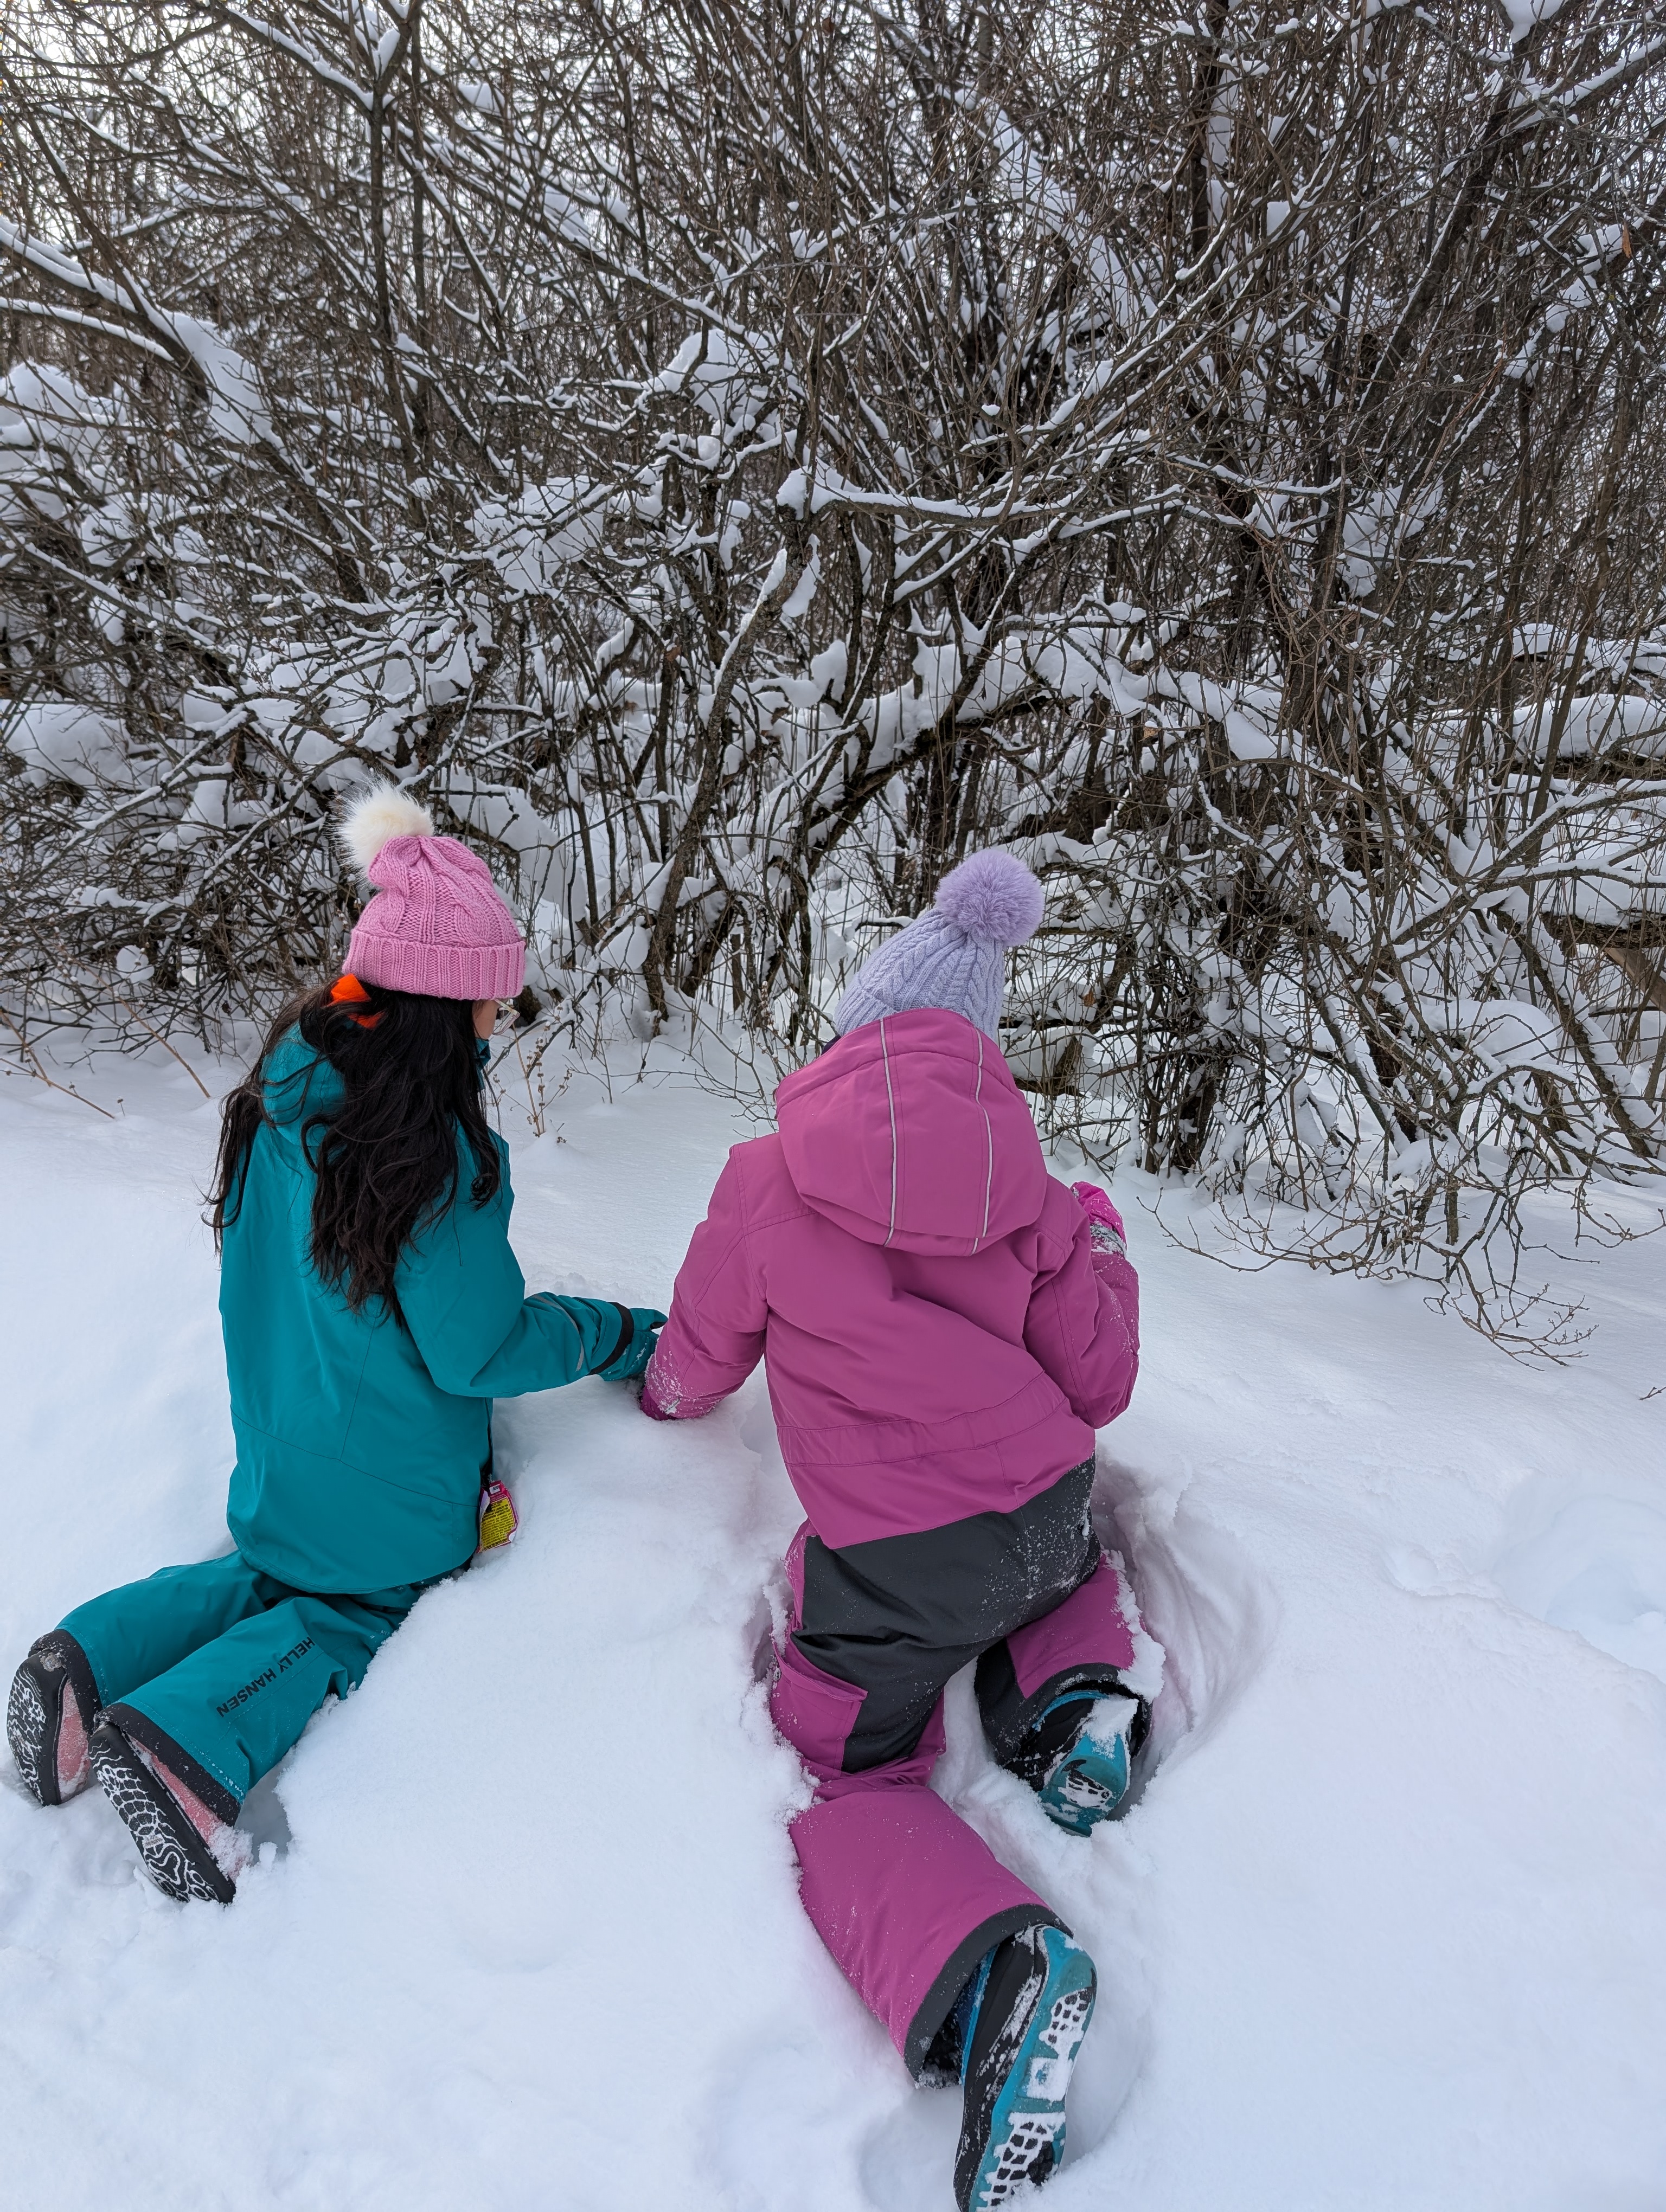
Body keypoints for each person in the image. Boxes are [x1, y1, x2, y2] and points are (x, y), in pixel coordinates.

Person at [6, 788, 663, 1904]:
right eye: (491, 1012)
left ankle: (91, 1660)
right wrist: (615, 1334)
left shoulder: (280, 1098)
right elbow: (479, 1349)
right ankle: (187, 1740)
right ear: (441, 1017)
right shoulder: (435, 1159)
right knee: (343, 1614)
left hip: (279, 1453)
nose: (498, 1032)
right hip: (392, 1498)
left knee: (261, 1577)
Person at [640, 849, 1149, 2212]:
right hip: (1043, 1516)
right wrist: (1099, 1247)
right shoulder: (1032, 1193)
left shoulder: (765, 1179)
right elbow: (1099, 1382)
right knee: (1053, 1575)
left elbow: (702, 1354)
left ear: (854, 1035)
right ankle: (1082, 1704)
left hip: (891, 1577)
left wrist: (659, 1395)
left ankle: (989, 1975)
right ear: (976, 1066)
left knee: (840, 1775)